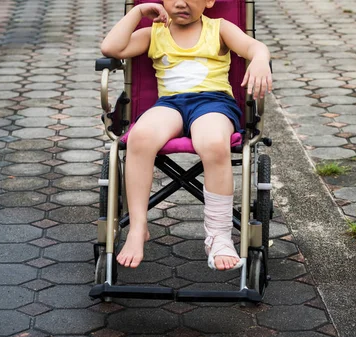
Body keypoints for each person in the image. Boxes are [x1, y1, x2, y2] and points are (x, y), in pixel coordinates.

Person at [100, 0, 272, 271]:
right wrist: (137, 12)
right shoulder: (153, 32)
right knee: (140, 137)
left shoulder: (219, 29)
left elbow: (253, 47)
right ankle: (137, 228)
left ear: (209, 1)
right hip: (170, 104)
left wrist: (260, 59)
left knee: (214, 142)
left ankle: (218, 236)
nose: (181, 3)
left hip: (213, 103)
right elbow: (111, 48)